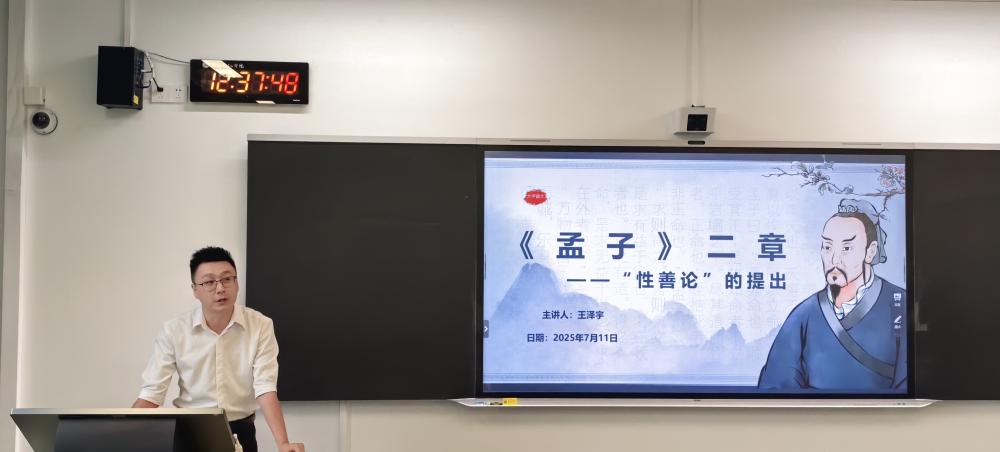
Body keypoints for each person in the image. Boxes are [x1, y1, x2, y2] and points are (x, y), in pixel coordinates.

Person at [132, 246, 305, 452]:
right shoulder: (174, 330)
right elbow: (152, 394)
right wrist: (123, 435)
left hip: (241, 432)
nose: (220, 288)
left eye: (227, 279)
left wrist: (283, 443)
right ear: (195, 290)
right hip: (189, 431)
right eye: (209, 282)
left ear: (237, 283)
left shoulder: (260, 325)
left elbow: (265, 387)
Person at [758, 199, 906, 391]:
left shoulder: (899, 304)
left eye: (846, 248)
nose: (834, 259)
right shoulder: (805, 314)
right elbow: (775, 387)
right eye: (827, 247)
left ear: (870, 252)